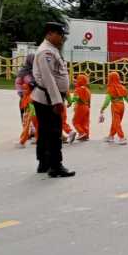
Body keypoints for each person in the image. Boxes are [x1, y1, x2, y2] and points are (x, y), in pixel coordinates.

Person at [31, 21, 74, 177]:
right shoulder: (46, 52)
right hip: (48, 98)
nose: (62, 38)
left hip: (46, 97)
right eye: (60, 35)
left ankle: (44, 163)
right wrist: (57, 101)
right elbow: (48, 78)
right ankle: (55, 166)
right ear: (50, 33)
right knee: (54, 132)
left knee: (44, 131)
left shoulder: (50, 49)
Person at [99, 71, 128, 145]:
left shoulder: (110, 88)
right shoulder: (122, 87)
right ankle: (111, 136)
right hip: (122, 106)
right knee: (115, 122)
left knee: (116, 122)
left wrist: (103, 108)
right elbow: (127, 98)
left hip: (115, 106)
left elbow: (107, 100)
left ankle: (121, 137)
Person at [68, 73, 91, 141]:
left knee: (75, 122)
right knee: (85, 122)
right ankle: (86, 135)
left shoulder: (78, 89)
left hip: (80, 106)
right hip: (87, 107)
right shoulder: (87, 89)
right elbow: (89, 100)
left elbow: (76, 98)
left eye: (77, 80)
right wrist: (88, 106)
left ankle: (81, 133)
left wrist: (70, 102)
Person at [17, 83, 38, 147]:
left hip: (32, 115)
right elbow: (23, 106)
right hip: (29, 114)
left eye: (26, 89)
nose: (24, 90)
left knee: (27, 128)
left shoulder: (30, 97)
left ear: (31, 90)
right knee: (35, 127)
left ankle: (22, 142)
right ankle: (37, 139)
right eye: (23, 89)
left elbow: (32, 108)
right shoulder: (25, 96)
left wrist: (30, 115)